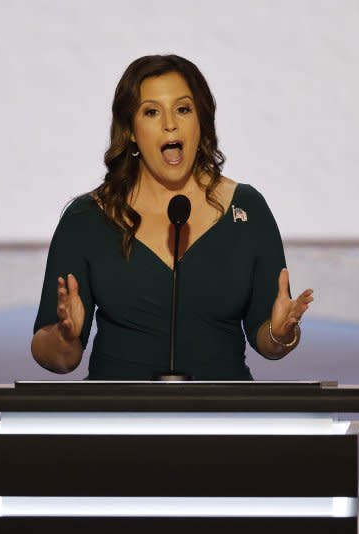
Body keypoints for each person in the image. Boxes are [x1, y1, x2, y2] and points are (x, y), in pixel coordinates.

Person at [31, 54, 314, 380]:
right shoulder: (87, 218)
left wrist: (281, 334)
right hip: (118, 420)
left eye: (183, 109)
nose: (170, 124)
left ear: (201, 121)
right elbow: (55, 356)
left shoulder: (247, 209)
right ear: (132, 131)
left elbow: (269, 343)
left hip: (222, 419)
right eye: (151, 112)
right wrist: (64, 338)